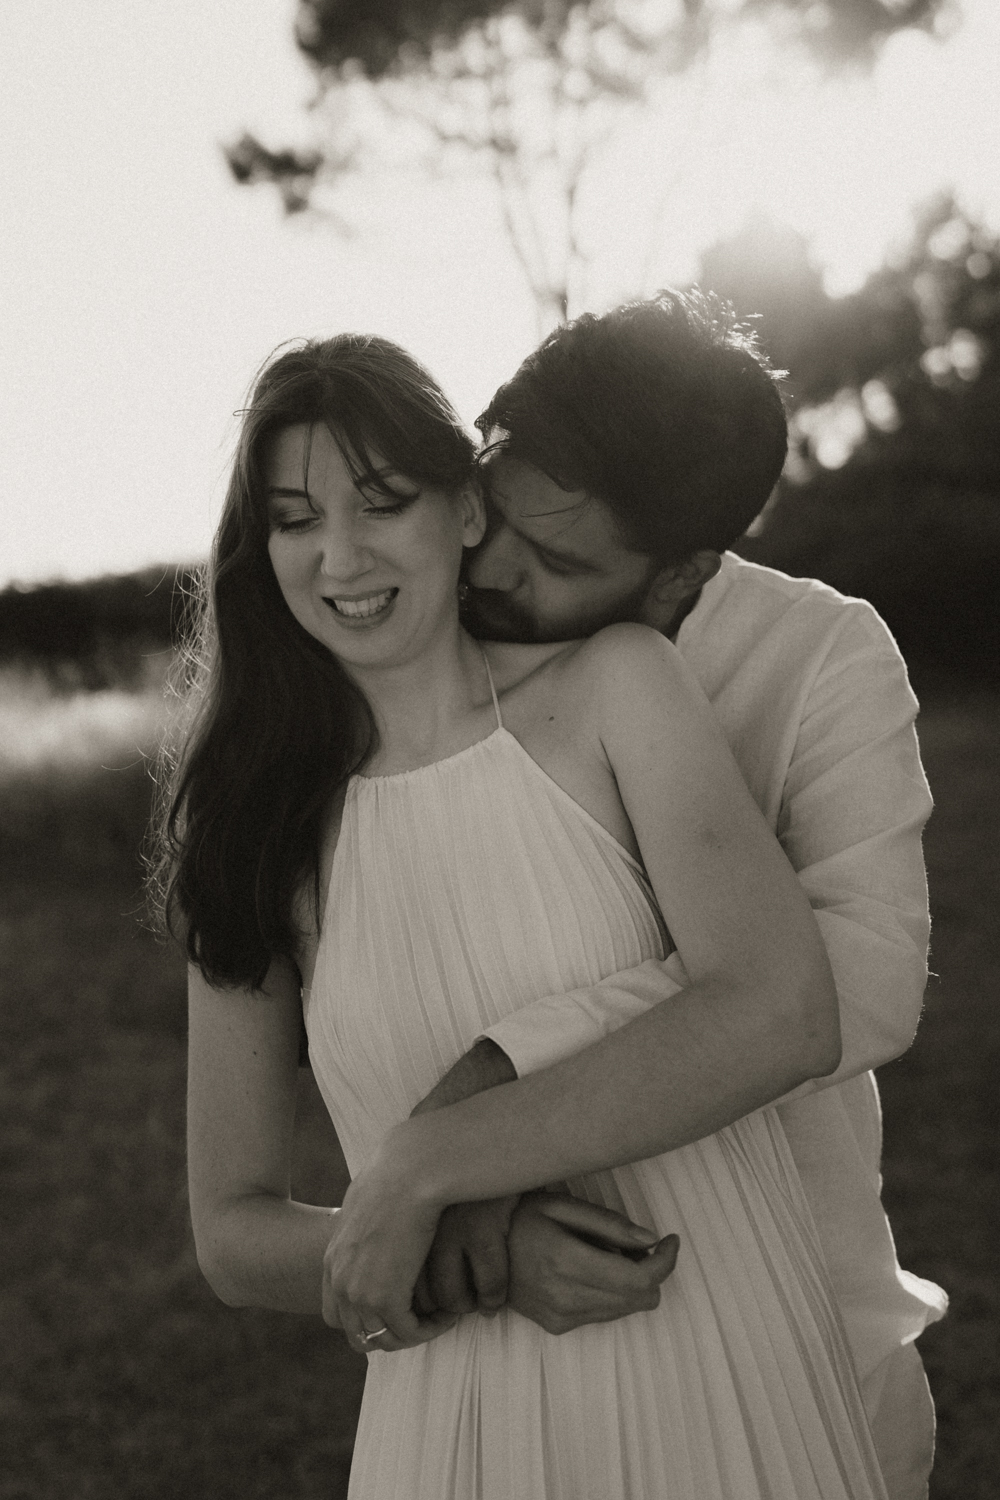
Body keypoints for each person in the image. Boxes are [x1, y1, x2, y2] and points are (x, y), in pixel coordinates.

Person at [169, 331, 892, 1500]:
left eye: (382, 502)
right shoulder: (256, 829)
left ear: (466, 510)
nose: (339, 556)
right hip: (458, 1424)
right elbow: (232, 1235)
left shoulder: (618, 688)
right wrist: (482, 1256)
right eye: (295, 519)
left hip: (720, 1356)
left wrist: (425, 1163)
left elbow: (781, 1009)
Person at [407, 290, 946, 1500]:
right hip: (504, 1340)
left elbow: (857, 987)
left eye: (555, 562)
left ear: (683, 572)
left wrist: (501, 1077)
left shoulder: (824, 659)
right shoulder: (425, 643)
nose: (488, 568)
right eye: (492, 508)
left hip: (797, 1334)